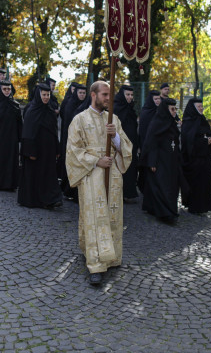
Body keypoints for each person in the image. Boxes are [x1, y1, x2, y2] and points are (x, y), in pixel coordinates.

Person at [66, 81, 133, 286]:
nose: (108, 98)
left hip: (112, 174)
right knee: (94, 217)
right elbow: (73, 151)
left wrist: (115, 139)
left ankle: (111, 257)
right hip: (91, 174)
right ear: (93, 95)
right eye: (104, 94)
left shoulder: (114, 120)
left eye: (109, 95)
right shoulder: (79, 120)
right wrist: (96, 161)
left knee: (112, 215)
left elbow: (126, 147)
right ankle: (95, 263)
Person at [18, 83, 62, 209]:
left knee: (48, 175)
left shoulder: (50, 111)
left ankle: (52, 199)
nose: (46, 97)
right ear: (39, 95)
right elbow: (27, 133)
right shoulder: (31, 110)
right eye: (44, 95)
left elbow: (54, 132)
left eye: (48, 95)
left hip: (48, 151)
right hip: (35, 151)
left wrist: (57, 149)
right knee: (34, 175)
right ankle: (35, 200)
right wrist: (30, 151)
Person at [140, 97, 182, 223]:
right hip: (159, 161)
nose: (174, 112)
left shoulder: (172, 123)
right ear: (166, 109)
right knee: (162, 187)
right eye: (172, 109)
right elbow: (151, 143)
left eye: (175, 109)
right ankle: (166, 214)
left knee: (171, 187)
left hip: (171, 161)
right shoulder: (157, 122)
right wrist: (152, 161)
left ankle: (166, 209)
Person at [181, 98, 211, 213]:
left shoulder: (202, 120)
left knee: (206, 183)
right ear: (193, 108)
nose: (201, 109)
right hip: (194, 159)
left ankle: (205, 206)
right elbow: (188, 141)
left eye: (202, 106)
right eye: (199, 107)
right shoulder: (188, 122)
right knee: (196, 184)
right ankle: (195, 207)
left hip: (205, 158)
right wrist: (204, 142)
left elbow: (209, 134)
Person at [59, 83, 87, 199]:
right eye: (80, 93)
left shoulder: (86, 105)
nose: (82, 95)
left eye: (84, 93)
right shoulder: (70, 105)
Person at [114, 85, 139, 201]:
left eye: (131, 95)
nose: (130, 97)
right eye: (127, 95)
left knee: (130, 168)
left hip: (131, 144)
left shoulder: (131, 109)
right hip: (119, 145)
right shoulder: (116, 108)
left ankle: (128, 193)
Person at [136, 89, 161, 191]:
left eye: (159, 99)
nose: (158, 101)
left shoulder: (160, 111)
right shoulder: (146, 112)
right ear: (151, 100)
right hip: (147, 144)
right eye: (155, 99)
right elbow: (143, 131)